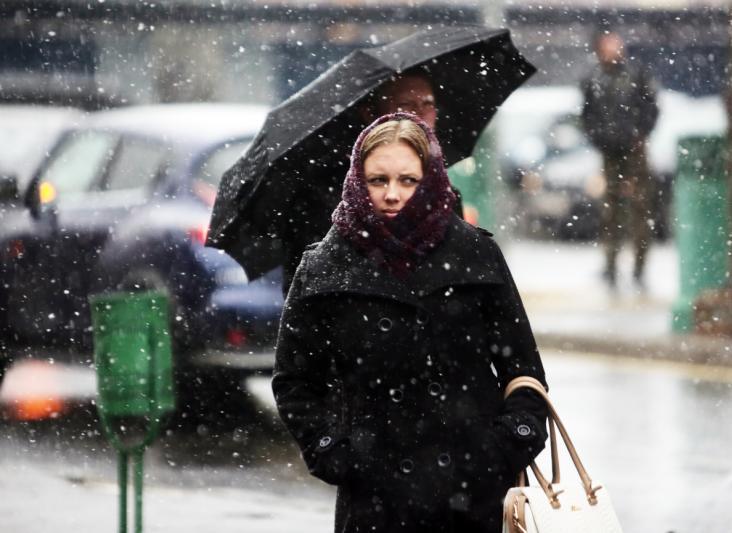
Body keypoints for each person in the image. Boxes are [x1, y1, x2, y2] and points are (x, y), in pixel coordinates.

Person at [272, 113, 548, 533]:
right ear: (357, 181)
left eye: (408, 180)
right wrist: (333, 452)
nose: (392, 195)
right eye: (378, 180)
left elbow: (523, 366)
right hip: (374, 499)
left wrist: (508, 443)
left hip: (472, 493)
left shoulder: (475, 253)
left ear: (431, 179)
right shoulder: (324, 267)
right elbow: (294, 381)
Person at [280, 70, 464, 295]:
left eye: (427, 103)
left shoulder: (445, 198)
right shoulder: (322, 194)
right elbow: (304, 291)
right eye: (406, 104)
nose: (419, 113)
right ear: (370, 114)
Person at [580, 30, 659, 287]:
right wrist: (600, 138)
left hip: (635, 150)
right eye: (609, 44)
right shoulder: (594, 79)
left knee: (640, 209)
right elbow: (587, 114)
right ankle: (611, 265)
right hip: (609, 152)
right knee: (610, 211)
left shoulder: (636, 75)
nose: (615, 48)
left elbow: (651, 108)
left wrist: (639, 134)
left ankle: (639, 268)